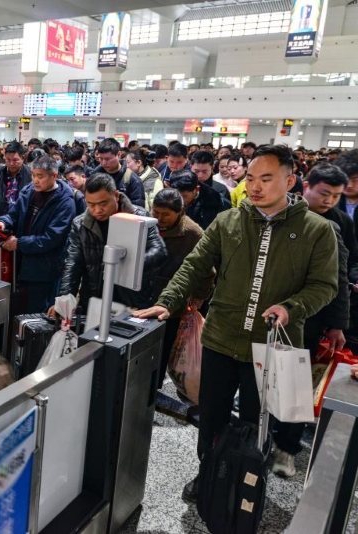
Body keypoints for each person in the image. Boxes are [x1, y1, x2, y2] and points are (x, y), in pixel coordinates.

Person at [133, 144, 339, 503]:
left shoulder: (317, 230)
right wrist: (167, 303)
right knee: (211, 416)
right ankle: (208, 473)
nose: (255, 186)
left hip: (274, 343)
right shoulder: (229, 220)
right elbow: (195, 265)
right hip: (221, 337)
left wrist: (292, 307)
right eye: (251, 177)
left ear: (290, 181)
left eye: (266, 178)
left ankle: (244, 481)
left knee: (254, 424)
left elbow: (324, 287)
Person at [271, 163, 353, 477]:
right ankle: (257, 436)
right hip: (269, 310)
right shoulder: (282, 211)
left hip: (308, 317)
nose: (330, 200)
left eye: (336, 195)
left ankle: (286, 449)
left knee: (295, 382)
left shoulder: (337, 224)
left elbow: (341, 275)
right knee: (262, 376)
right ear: (305, 186)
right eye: (324, 193)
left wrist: (337, 325)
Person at [52, 173, 167, 317]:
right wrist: (65, 299)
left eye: (103, 203)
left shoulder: (140, 216)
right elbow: (73, 263)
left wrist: (127, 266)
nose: (97, 210)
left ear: (116, 196)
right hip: (95, 299)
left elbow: (159, 251)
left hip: (132, 300)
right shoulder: (80, 224)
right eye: (91, 204)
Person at [0, 155, 76, 315]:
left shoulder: (65, 203)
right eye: (33, 175)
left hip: (43, 270)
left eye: (40, 176)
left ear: (54, 176)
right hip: (20, 264)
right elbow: (14, 213)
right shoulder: (29, 190)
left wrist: (20, 243)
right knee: (16, 311)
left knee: (36, 314)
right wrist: (3, 221)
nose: (35, 180)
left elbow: (51, 238)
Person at [150, 188, 213, 390]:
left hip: (174, 305)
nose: (159, 218)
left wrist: (198, 298)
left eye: (165, 215)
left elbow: (207, 270)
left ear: (180, 212)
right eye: (156, 213)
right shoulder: (147, 224)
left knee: (162, 350)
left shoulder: (192, 233)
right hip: (146, 297)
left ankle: (153, 391)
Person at [0, 141, 32, 224]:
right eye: (8, 160)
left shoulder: (30, 175)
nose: (12, 163)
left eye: (15, 160)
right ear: (4, 157)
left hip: (20, 222)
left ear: (22, 158)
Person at [91, 138, 146, 207]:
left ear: (119, 155)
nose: (103, 163)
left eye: (107, 159)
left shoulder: (133, 180)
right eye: (100, 159)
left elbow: (138, 210)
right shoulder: (94, 176)